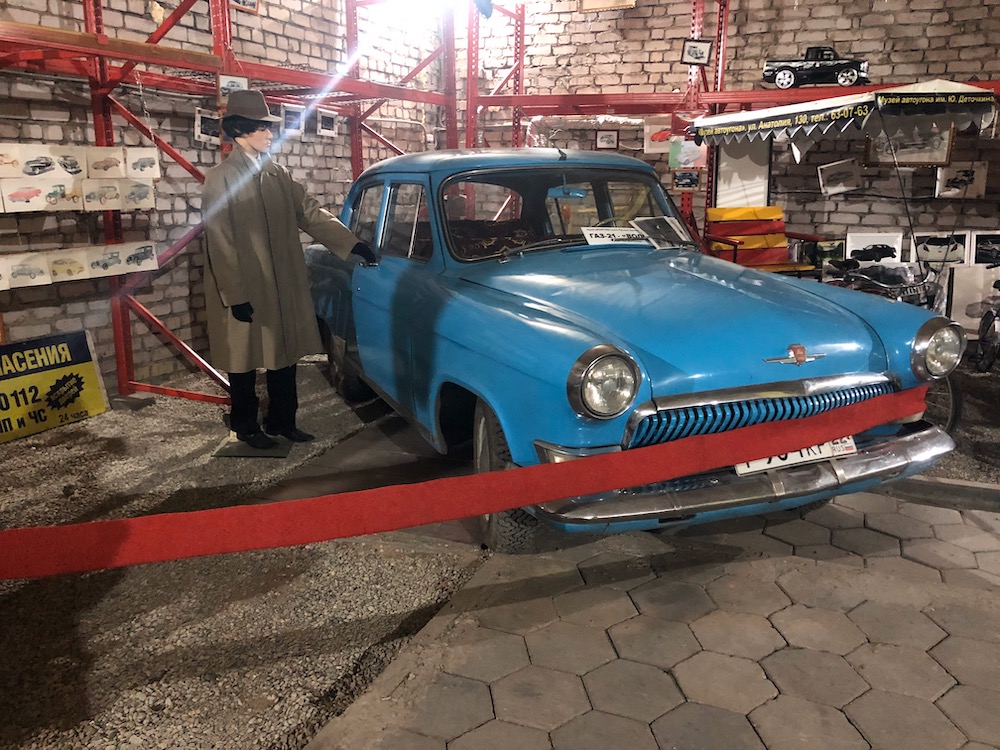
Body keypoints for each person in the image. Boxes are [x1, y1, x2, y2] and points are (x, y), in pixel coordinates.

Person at [202, 89, 376, 450]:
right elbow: (219, 240)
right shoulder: (220, 178)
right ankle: (246, 425)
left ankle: (283, 420)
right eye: (262, 128)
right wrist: (234, 295)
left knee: (284, 353)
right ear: (241, 130)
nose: (269, 134)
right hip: (245, 285)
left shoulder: (277, 174)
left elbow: (309, 212)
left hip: (282, 281)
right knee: (243, 358)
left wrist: (350, 243)